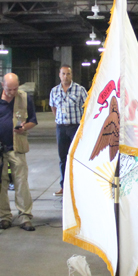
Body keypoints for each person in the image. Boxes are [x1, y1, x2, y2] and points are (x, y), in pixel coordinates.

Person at [0, 73, 37, 231]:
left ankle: (25, 216)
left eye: (15, 89)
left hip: (17, 148)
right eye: (9, 89)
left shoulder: (24, 98)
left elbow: (33, 120)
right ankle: (4, 216)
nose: (12, 92)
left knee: (21, 183)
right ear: (2, 85)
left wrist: (24, 127)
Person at [49, 65, 87, 196]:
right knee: (63, 158)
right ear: (59, 75)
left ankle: (78, 185)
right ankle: (64, 186)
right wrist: (60, 120)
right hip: (61, 128)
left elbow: (87, 107)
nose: (66, 76)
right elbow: (53, 108)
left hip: (75, 127)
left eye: (68, 74)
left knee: (77, 157)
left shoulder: (80, 90)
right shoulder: (54, 91)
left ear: (72, 75)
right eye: (63, 74)